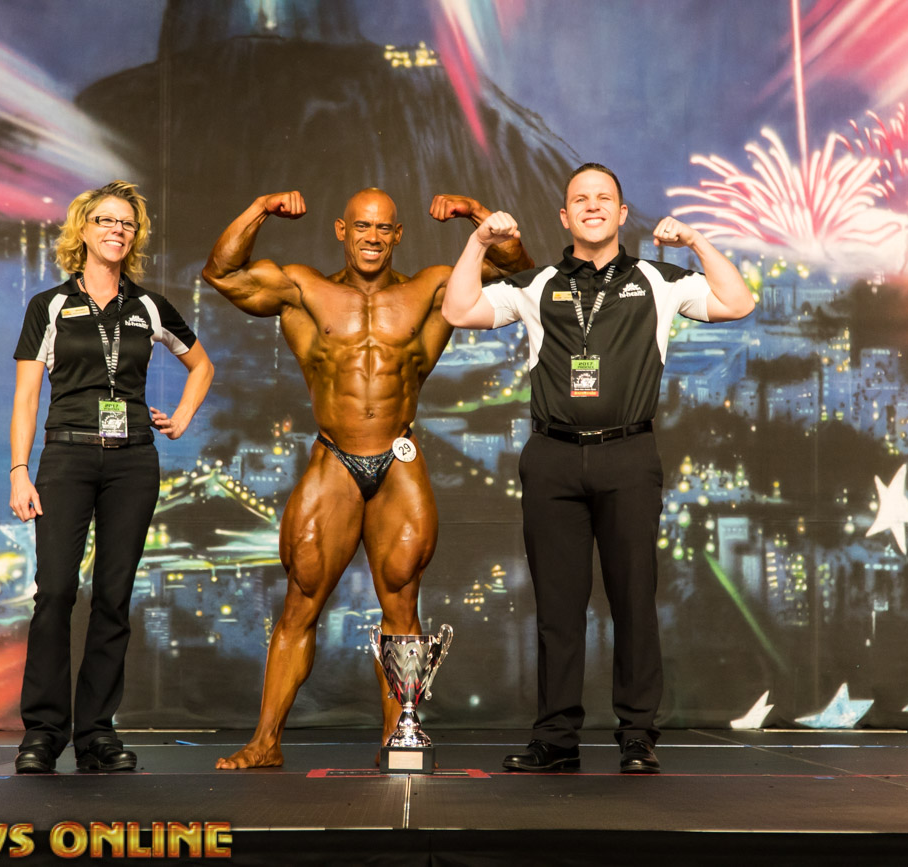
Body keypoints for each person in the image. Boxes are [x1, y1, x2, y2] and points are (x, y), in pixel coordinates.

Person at [202, 188, 530, 768]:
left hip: (398, 458)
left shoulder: (431, 289)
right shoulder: (304, 289)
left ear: (398, 235)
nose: (373, 237)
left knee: (403, 603)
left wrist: (478, 215)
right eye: (362, 226)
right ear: (342, 230)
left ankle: (397, 743)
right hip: (334, 458)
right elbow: (222, 273)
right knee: (301, 600)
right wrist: (259, 208)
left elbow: (519, 276)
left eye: (383, 228)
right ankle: (265, 743)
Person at [442, 163, 754, 774]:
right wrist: (478, 242)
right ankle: (556, 739)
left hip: (628, 455)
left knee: (633, 600)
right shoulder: (537, 283)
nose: (592, 206)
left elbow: (737, 301)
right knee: (558, 607)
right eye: (580, 199)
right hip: (552, 457)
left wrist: (694, 240)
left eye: (603, 198)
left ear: (621, 213)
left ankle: (637, 736)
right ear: (565, 217)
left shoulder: (657, 279)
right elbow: (460, 310)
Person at [9, 181, 214, 774]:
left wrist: (183, 416)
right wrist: (20, 470)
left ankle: (97, 732)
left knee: (113, 596)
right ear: (83, 229)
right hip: (66, 458)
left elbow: (201, 365)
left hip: (132, 461)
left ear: (134, 236)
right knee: (54, 592)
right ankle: (44, 731)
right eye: (105, 220)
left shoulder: (148, 306)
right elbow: (26, 397)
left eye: (126, 223)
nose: (116, 230)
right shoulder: (49, 305)